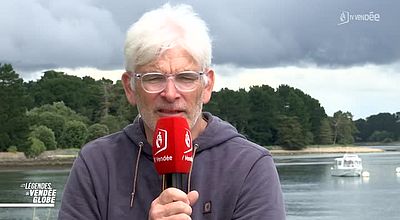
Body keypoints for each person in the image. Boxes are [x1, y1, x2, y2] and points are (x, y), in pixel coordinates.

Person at [58, 3, 286, 220]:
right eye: (154, 78)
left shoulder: (249, 165)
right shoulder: (97, 163)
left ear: (207, 86)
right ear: (130, 88)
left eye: (185, 78)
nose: (170, 93)